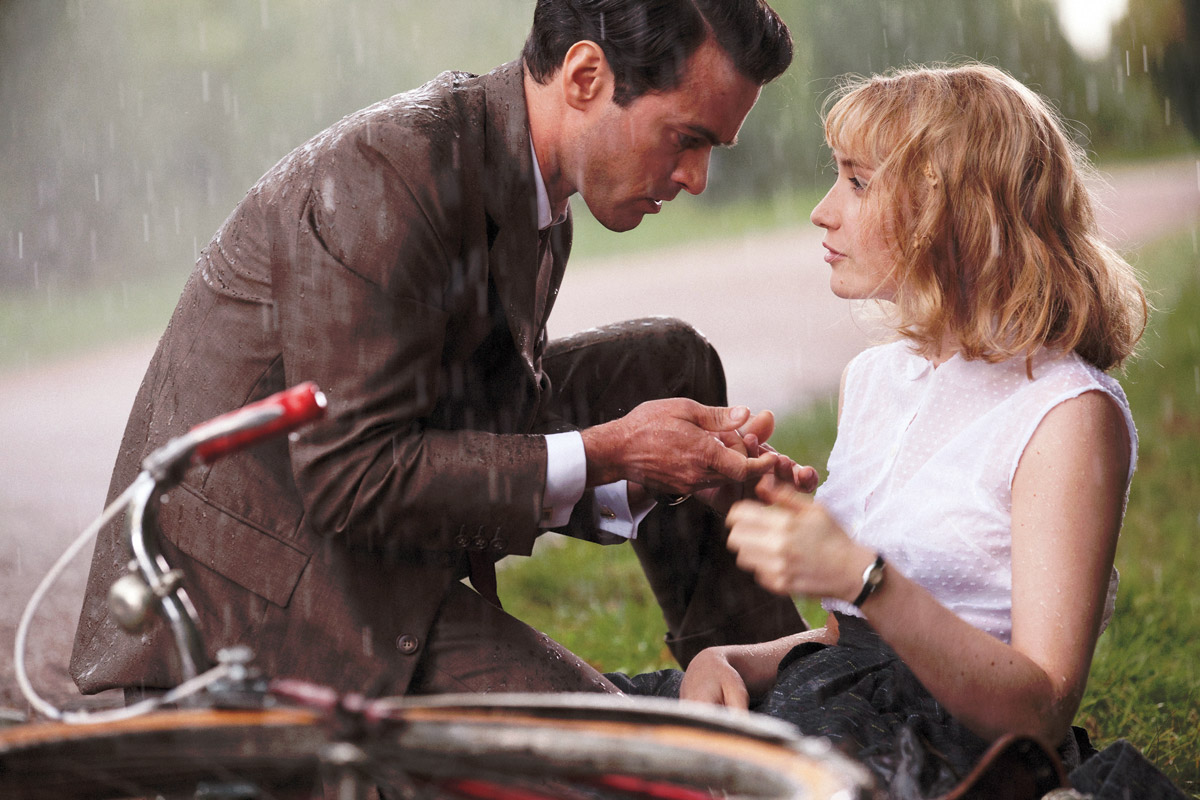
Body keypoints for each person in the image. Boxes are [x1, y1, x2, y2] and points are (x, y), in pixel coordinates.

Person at [70, 0, 813, 704]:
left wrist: (651, 475)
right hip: (255, 602)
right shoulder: (386, 173)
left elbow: (483, 428)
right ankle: (744, 744)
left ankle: (788, 698)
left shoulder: (536, 192)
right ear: (586, 77)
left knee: (667, 366)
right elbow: (353, 480)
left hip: (356, 541)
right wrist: (608, 452)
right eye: (686, 139)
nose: (695, 180)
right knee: (637, 759)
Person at [612, 63, 1185, 799]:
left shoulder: (1067, 414)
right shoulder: (875, 379)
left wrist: (860, 572)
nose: (822, 211)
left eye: (857, 182)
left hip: (939, 748)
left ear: (954, 212)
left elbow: (1039, 711)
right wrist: (728, 660)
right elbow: (847, 645)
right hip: (835, 705)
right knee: (557, 731)